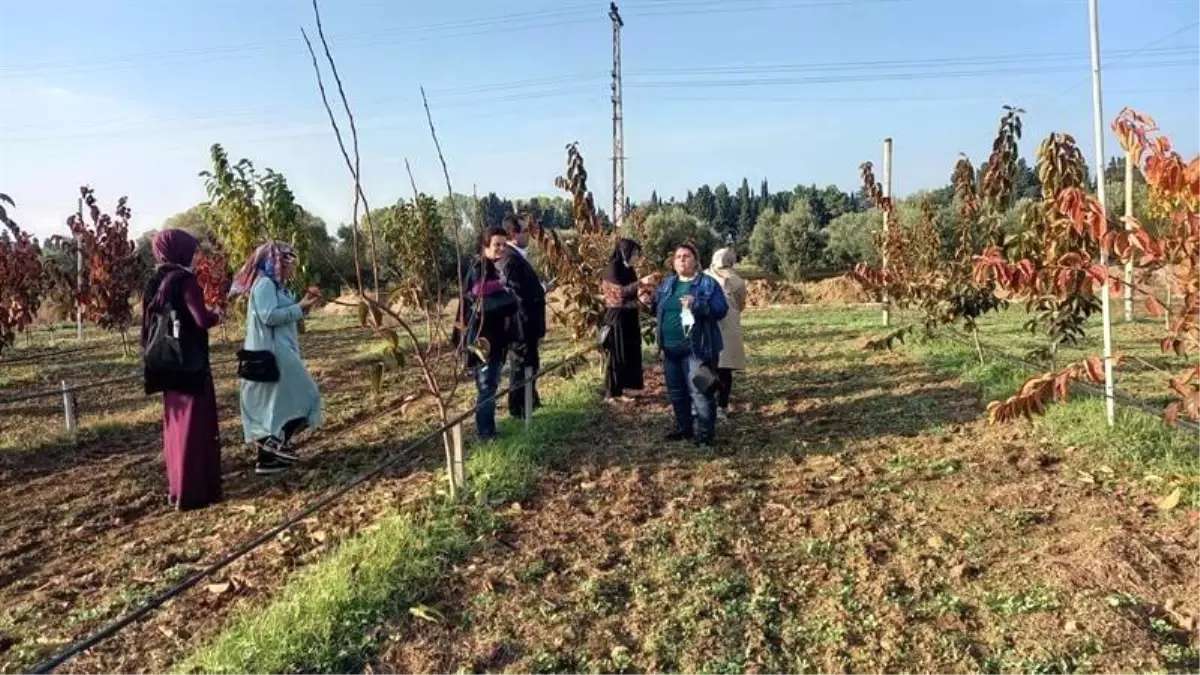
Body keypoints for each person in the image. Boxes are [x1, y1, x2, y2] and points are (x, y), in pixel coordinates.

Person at [141, 229, 224, 511]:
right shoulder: (185, 281)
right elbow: (201, 320)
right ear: (180, 252)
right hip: (191, 364)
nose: (194, 256)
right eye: (191, 251)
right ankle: (195, 492)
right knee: (194, 427)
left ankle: (176, 490)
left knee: (175, 428)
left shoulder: (156, 281)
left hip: (167, 364)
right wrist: (218, 314)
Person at [230, 242, 324, 476]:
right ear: (275, 262)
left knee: (278, 403)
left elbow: (284, 314)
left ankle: (271, 454)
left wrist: (304, 306)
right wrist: (299, 307)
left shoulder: (277, 287)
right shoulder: (264, 285)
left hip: (281, 350)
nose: (291, 267)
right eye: (287, 262)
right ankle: (272, 447)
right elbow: (269, 316)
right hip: (273, 352)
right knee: (307, 395)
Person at [649, 243, 729, 447]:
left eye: (686, 256)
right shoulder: (668, 284)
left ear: (696, 260)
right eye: (678, 257)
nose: (682, 259)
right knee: (676, 392)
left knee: (701, 391)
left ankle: (705, 436)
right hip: (670, 348)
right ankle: (684, 428)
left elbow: (721, 310)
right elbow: (656, 306)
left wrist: (698, 304)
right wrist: (645, 300)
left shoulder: (708, 284)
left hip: (698, 347)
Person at [460, 227, 520, 441]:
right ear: (485, 246)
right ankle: (485, 434)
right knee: (487, 386)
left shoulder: (489, 266)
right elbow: (477, 291)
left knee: (489, 385)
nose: (502, 248)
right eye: (497, 244)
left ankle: (489, 429)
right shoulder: (481, 266)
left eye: (504, 244)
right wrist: (503, 286)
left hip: (490, 336)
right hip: (484, 338)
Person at [499, 214, 547, 419]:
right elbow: (518, 294)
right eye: (525, 231)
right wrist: (541, 289)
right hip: (520, 326)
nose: (529, 235)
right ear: (512, 233)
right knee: (521, 366)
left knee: (530, 364)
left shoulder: (517, 257)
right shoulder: (509, 259)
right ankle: (518, 410)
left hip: (528, 325)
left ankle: (529, 404)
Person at [600, 238, 656, 402]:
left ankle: (621, 390)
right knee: (615, 355)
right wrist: (641, 282)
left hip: (629, 318)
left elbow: (634, 292)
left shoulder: (629, 269)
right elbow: (617, 294)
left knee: (627, 353)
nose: (636, 258)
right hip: (615, 319)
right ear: (625, 252)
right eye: (635, 254)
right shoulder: (612, 269)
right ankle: (610, 393)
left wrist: (645, 296)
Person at [705, 247, 747, 419]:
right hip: (729, 326)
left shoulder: (705, 276)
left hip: (708, 325)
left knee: (707, 367)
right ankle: (722, 406)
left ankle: (703, 405)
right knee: (725, 369)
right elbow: (741, 304)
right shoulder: (737, 281)